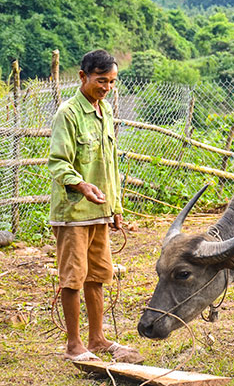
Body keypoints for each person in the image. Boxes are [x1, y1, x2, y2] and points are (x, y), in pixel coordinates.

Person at [48, 49, 143, 364]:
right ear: (83, 76)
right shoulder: (69, 113)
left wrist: (115, 207)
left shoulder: (105, 111)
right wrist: (82, 185)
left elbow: (109, 165)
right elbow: (58, 163)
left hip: (100, 213)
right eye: (101, 80)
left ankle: (97, 338)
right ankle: (74, 344)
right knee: (73, 277)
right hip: (74, 213)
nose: (106, 87)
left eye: (112, 82)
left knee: (99, 275)